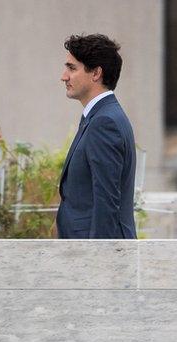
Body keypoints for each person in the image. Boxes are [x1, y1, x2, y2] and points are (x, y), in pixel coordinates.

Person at [57, 34, 137, 239]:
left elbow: (106, 203)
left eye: (72, 68)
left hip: (97, 258)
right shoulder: (99, 116)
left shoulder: (104, 122)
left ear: (96, 73)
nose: (64, 76)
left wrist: (98, 263)